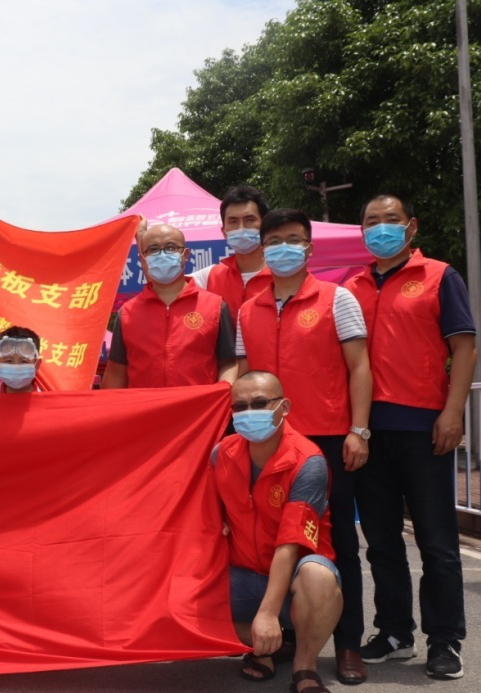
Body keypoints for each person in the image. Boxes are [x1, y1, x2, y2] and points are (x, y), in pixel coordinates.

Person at [236, 208, 372, 685]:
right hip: (268, 440)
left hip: (329, 438)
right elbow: (242, 375)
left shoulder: (339, 298)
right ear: (262, 248)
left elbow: (359, 366)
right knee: (273, 539)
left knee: (339, 544)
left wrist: (359, 430)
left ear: (310, 248)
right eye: (274, 241)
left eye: (293, 239)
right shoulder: (247, 308)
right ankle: (285, 636)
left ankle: (348, 643)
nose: (283, 249)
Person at [344, 194, 476, 680]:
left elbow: (464, 347)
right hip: (367, 431)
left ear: (411, 227)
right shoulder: (350, 287)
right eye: (371, 222)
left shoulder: (440, 277)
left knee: (437, 542)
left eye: (391, 220)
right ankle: (395, 632)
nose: (381, 228)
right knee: (380, 540)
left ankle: (445, 640)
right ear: (362, 231)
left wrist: (453, 411)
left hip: (424, 428)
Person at [212, 371, 341, 693]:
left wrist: (268, 613)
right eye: (239, 407)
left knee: (319, 575)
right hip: (240, 574)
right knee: (176, 592)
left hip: (293, 579)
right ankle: (263, 647)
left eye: (259, 403)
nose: (248, 413)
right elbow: (204, 511)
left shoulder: (308, 461)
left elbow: (290, 543)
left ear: (284, 407)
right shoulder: (221, 454)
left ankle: (304, 665)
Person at [103, 223, 237, 389]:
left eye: (171, 247)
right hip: (146, 405)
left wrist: (222, 391)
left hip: (199, 405)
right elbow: (116, 372)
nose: (162, 254)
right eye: (153, 249)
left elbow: (229, 363)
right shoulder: (127, 313)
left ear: (185, 255)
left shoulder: (215, 306)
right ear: (143, 259)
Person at [189, 185, 274, 323]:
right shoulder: (208, 278)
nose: (241, 228)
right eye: (233, 221)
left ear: (265, 227)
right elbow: (165, 289)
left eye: (249, 219)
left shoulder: (282, 276)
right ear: (224, 232)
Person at [0, 326, 43, 393]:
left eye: (24, 361)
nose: (16, 367)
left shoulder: (50, 399)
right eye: (8, 361)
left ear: (37, 364)